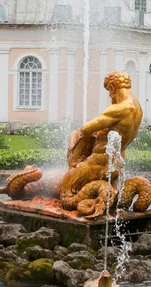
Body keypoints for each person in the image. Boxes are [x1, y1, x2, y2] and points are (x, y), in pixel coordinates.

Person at [61, 71, 143, 200]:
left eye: (109, 91)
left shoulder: (121, 108)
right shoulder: (138, 107)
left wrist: (73, 150)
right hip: (116, 166)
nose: (110, 95)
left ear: (112, 87)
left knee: (65, 191)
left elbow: (85, 129)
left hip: (97, 165)